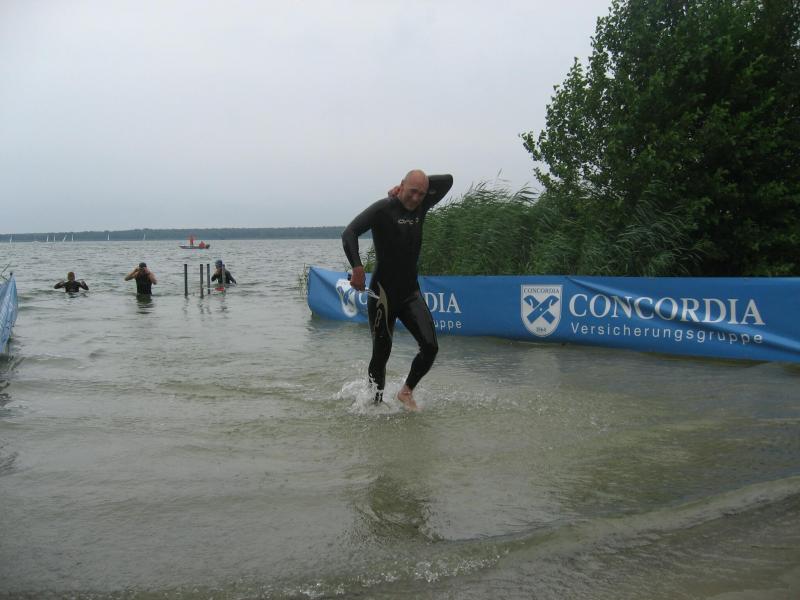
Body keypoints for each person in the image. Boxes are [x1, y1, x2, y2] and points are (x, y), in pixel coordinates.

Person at [342, 169, 453, 410]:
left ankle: (406, 392)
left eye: (421, 194)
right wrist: (357, 267)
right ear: (401, 186)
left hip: (410, 293)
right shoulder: (383, 209)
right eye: (412, 191)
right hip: (382, 295)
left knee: (430, 347)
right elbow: (349, 233)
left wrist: (419, 185)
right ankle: (374, 404)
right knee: (381, 353)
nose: (416, 198)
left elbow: (448, 181)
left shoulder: (422, 205)